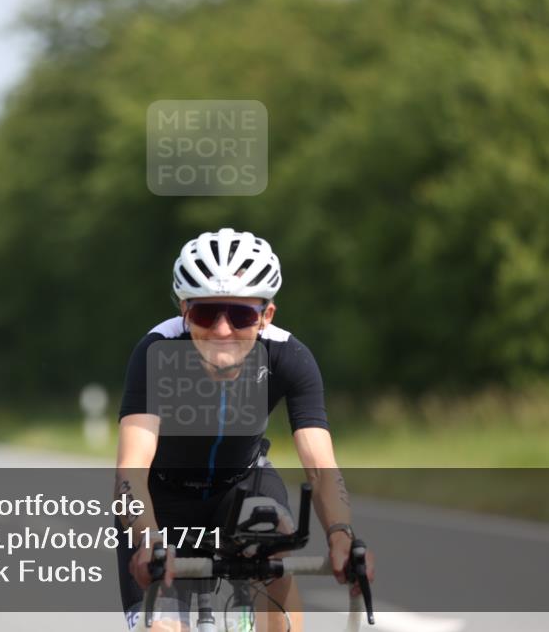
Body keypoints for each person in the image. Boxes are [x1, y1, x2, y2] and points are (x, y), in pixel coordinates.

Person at [115, 228, 375, 632]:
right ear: (184, 310)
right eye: (205, 313)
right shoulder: (156, 351)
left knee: (272, 531)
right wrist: (148, 539)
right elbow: (132, 467)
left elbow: (320, 463)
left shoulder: (288, 356)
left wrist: (342, 535)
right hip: (163, 499)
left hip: (244, 484)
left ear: (266, 315)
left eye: (240, 314)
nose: (222, 330)